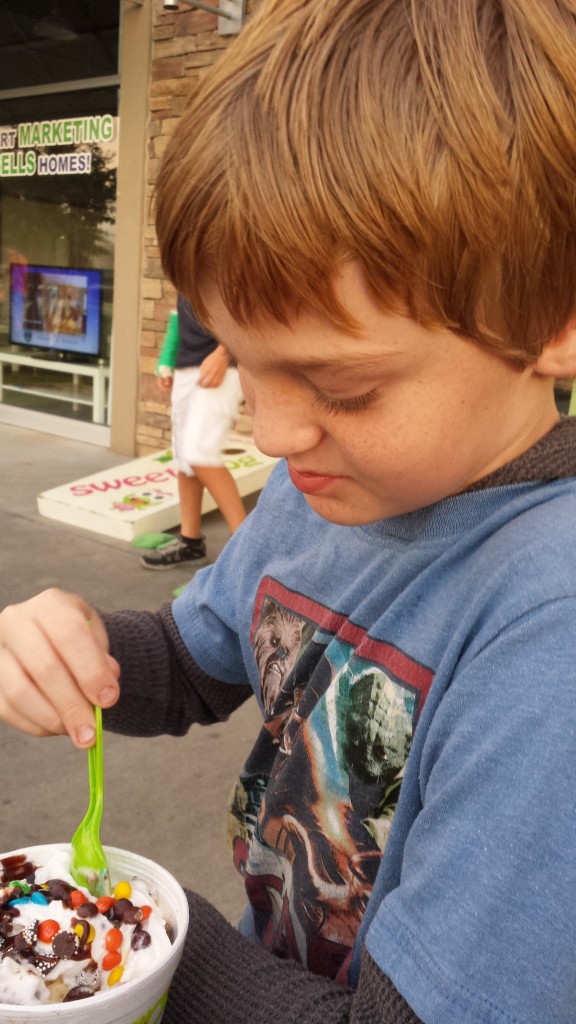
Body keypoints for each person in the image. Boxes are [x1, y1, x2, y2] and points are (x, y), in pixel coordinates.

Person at [1, 1, 576, 1021]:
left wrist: (135, 927)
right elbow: (194, 661)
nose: (270, 435)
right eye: (245, 361)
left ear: (554, 322)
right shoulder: (334, 489)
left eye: (340, 387)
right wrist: (76, 648)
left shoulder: (551, 623)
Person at [142, 295, 246, 569]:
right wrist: (167, 358)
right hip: (188, 364)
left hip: (224, 360)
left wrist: (224, 353)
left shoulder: (226, 253)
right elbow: (180, 313)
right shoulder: (184, 256)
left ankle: (248, 550)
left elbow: (250, 301)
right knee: (184, 458)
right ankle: (190, 542)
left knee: (200, 453)